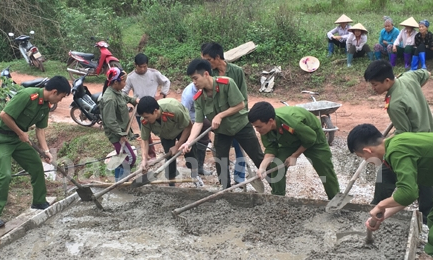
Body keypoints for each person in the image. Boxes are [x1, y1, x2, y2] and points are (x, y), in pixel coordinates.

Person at [347, 123, 433, 257]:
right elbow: (409, 191)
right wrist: (384, 214)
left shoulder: (396, 152)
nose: (366, 160)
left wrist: (381, 204)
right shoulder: (396, 142)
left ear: (368, 151)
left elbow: (409, 193)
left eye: (363, 157)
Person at [364, 60, 433, 224]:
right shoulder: (408, 77)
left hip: (414, 146)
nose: (373, 89)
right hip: (428, 137)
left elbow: (403, 136)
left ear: (387, 81)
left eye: (375, 85)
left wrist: (382, 143)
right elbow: (426, 74)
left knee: (387, 174)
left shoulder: (395, 104)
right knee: (426, 182)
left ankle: (378, 211)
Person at [180, 59, 264, 189]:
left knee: (258, 156)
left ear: (206, 74)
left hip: (241, 126)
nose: (194, 82)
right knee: (220, 162)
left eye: (195, 78)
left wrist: (220, 115)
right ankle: (226, 191)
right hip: (222, 132)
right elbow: (198, 122)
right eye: (192, 79)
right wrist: (188, 142)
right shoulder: (198, 98)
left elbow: (240, 104)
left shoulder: (226, 83)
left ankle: (276, 188)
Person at [0, 76, 71, 228]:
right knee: (5, 175)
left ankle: (39, 201)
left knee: (36, 166)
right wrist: (20, 132)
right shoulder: (27, 95)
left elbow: (40, 131)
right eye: (61, 97)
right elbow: (4, 115)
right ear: (54, 92)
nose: (60, 101)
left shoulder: (45, 106)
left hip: (19, 141)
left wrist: (45, 151)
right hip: (2, 139)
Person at [248, 102, 340, 199]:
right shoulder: (265, 129)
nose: (257, 130)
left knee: (324, 168)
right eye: (255, 127)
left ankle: (335, 198)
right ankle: (278, 198)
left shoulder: (292, 123)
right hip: (289, 139)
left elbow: (310, 139)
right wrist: (262, 167)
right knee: (277, 164)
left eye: (259, 126)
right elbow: (271, 149)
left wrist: (294, 156)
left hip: (312, 135)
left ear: (270, 121)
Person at [201, 42, 247, 184]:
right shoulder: (210, 74)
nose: (206, 64)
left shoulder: (236, 71)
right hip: (220, 121)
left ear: (217, 57)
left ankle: (239, 179)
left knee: (240, 150)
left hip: (237, 118)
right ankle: (224, 184)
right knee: (220, 152)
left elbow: (243, 98)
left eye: (208, 60)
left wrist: (245, 117)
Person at [138, 96, 203, 187]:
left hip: (182, 129)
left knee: (190, 153)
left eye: (147, 117)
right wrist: (144, 159)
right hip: (165, 135)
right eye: (144, 117)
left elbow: (188, 126)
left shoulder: (173, 109)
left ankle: (195, 176)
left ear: (155, 111)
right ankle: (172, 182)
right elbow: (144, 139)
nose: (145, 119)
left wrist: (178, 146)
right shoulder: (144, 120)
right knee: (169, 157)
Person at [122, 53, 171, 159]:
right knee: (146, 135)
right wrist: (132, 101)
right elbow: (123, 92)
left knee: (162, 130)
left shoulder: (154, 73)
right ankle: (151, 156)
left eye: (145, 66)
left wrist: (162, 94)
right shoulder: (130, 77)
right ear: (135, 65)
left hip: (155, 108)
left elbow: (166, 82)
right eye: (141, 67)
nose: (143, 69)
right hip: (141, 110)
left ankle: (168, 152)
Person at [100, 67, 139, 182]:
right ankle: (121, 182)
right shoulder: (110, 99)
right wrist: (121, 135)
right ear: (116, 82)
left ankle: (119, 180)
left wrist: (134, 101)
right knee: (131, 158)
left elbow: (124, 97)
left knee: (122, 157)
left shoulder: (117, 91)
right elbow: (110, 121)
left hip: (121, 132)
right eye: (123, 81)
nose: (125, 83)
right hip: (116, 135)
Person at [181, 82, 212, 176]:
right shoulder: (189, 94)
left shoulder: (208, 87)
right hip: (191, 119)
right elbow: (184, 113)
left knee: (203, 141)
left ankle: (200, 167)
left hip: (204, 116)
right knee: (190, 145)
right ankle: (192, 167)